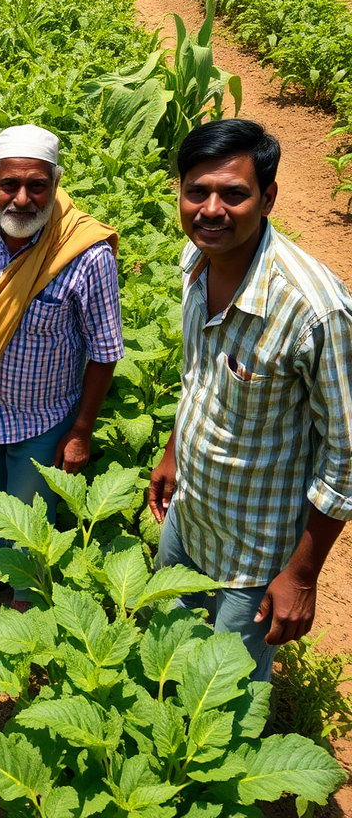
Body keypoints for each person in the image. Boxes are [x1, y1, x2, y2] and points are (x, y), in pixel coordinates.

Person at [148, 119, 352, 682]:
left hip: (254, 556)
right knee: (169, 655)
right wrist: (171, 455)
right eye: (196, 191)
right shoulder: (195, 263)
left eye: (233, 194)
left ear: (267, 198)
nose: (211, 209)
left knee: (226, 702)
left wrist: (302, 575)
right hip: (189, 518)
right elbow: (198, 376)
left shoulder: (314, 311)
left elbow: (345, 457)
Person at [0, 125, 124, 610]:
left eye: (37, 185)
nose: (22, 198)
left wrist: (80, 431)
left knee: (30, 511)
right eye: (9, 184)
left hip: (45, 416)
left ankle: (27, 592)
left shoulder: (84, 253)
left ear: (55, 184)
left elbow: (105, 350)